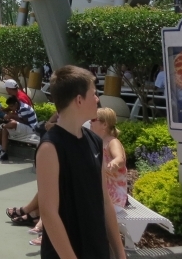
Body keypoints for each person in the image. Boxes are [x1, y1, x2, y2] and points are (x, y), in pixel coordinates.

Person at [37, 66, 125, 259]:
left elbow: (104, 200)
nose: (97, 99)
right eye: (94, 94)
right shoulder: (50, 148)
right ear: (79, 100)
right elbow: (49, 213)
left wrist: (120, 253)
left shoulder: (94, 141)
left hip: (97, 249)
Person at [90, 108, 128, 210]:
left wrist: (114, 163)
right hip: (100, 195)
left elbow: (120, 158)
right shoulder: (95, 141)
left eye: (93, 119)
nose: (90, 121)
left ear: (104, 124)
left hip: (114, 199)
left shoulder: (112, 142)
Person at [0, 95, 37, 162]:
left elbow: (25, 122)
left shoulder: (24, 108)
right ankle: (3, 152)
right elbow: (9, 109)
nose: (11, 108)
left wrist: (12, 116)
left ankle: (1, 126)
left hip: (31, 128)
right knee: (5, 129)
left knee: (13, 123)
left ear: (16, 104)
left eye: (12, 106)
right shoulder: (17, 105)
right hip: (23, 127)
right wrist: (4, 110)